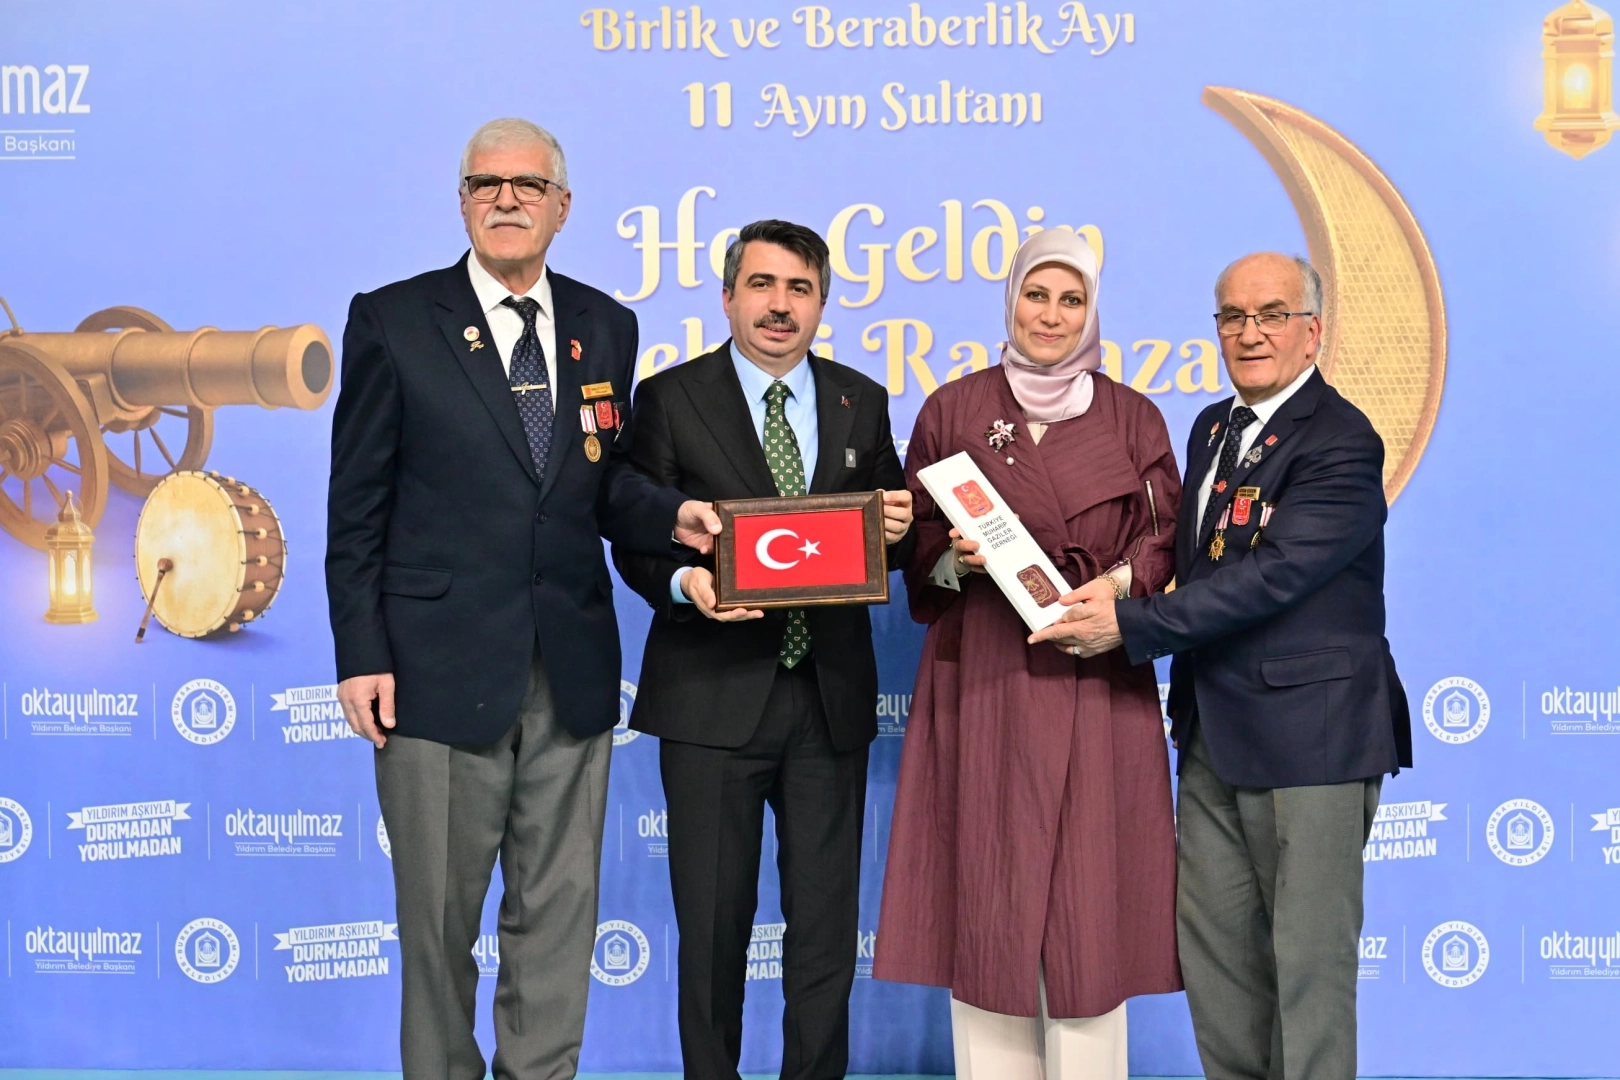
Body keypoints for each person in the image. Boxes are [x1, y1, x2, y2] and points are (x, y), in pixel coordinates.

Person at [325, 118, 721, 1080]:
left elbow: (603, 485)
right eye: (486, 183)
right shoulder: (393, 319)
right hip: (431, 671)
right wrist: (360, 653)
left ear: (562, 206)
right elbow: (356, 505)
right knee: (437, 925)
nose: (507, 199)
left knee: (558, 917)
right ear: (462, 201)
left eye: (528, 185)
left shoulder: (606, 325)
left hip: (571, 670)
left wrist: (675, 518)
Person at [1032, 252, 1413, 1080]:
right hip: (1213, 732)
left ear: (1312, 332)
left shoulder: (1342, 440)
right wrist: (1119, 584)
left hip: (1312, 741)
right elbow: (1197, 559)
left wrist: (1130, 626)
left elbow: (1271, 578)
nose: (1251, 333)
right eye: (1234, 316)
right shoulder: (1212, 427)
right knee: (1219, 967)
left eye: (1272, 314)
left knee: (1308, 970)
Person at [874, 229, 1183, 1080]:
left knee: (1091, 909)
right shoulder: (954, 409)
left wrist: (1113, 588)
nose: (1050, 316)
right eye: (1035, 296)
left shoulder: (1134, 417)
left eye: (1070, 299)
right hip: (984, 676)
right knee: (988, 896)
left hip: (1095, 672)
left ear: (1093, 311)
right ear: (1009, 300)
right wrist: (952, 559)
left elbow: (1166, 539)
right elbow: (915, 545)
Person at [612, 219, 914, 1080]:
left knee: (825, 934)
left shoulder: (861, 399)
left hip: (828, 700)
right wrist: (684, 583)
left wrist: (899, 527)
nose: (781, 306)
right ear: (728, 296)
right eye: (763, 285)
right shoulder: (671, 398)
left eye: (800, 289)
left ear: (822, 303)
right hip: (710, 699)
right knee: (712, 932)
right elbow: (632, 525)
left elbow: (879, 539)